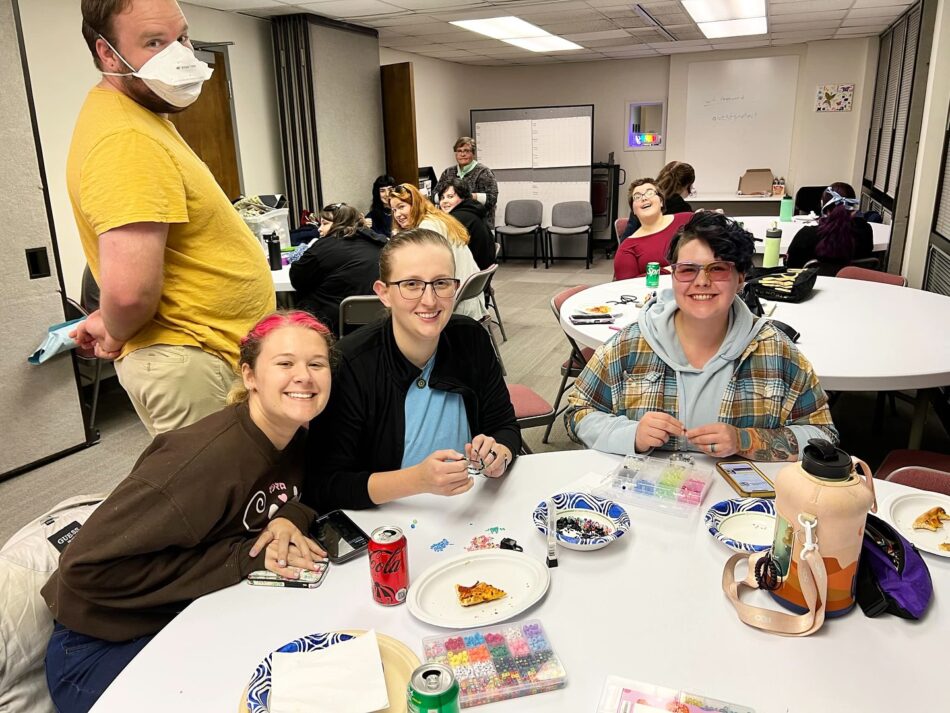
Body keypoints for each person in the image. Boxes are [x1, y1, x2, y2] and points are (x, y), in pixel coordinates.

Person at [41, 311, 334, 712]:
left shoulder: (294, 433)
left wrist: (290, 516)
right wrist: (240, 558)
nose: (304, 376)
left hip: (184, 615)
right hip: (99, 648)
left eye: (316, 364)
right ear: (249, 376)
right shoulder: (201, 463)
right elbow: (83, 569)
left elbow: (308, 490)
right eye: (284, 363)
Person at [69, 0, 275, 437]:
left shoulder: (140, 119)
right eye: (154, 43)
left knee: (243, 492)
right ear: (108, 53)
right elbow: (128, 295)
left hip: (204, 353)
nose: (179, 55)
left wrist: (108, 321)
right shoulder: (126, 138)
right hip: (191, 362)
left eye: (181, 37)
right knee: (219, 498)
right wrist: (113, 323)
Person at [568, 211, 837, 461]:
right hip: (645, 499)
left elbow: (823, 435)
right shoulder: (631, 345)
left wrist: (747, 440)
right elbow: (577, 413)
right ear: (672, 274)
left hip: (737, 507)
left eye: (718, 268)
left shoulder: (775, 351)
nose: (702, 281)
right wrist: (631, 435)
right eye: (687, 269)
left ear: (741, 277)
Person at [304, 228, 520, 511]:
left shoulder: (471, 340)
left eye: (441, 283)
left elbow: (504, 426)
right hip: (385, 524)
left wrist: (498, 453)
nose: (429, 300)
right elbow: (325, 484)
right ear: (384, 294)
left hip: (466, 510)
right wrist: (416, 480)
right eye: (411, 284)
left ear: (455, 288)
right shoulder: (350, 364)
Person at [389, 183, 486, 320]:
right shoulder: (436, 218)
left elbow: (425, 271)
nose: (397, 214)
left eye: (401, 207)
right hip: (468, 296)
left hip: (456, 305)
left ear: (415, 204)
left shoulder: (428, 227)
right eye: (393, 210)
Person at [290, 203, 388, 334]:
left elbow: (297, 279)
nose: (319, 229)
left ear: (339, 223)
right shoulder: (380, 243)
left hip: (331, 323)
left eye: (324, 224)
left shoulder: (323, 247)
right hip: (380, 321)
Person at [614, 178, 692, 280]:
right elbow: (627, 287)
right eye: (637, 197)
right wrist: (668, 270)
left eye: (650, 193)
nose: (644, 198)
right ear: (633, 210)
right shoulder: (627, 248)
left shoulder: (688, 219)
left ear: (661, 201)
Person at [785, 183, 873, 270]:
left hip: (812, 283)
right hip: (851, 283)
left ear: (823, 205)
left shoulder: (806, 235)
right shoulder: (865, 231)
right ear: (853, 206)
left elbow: (790, 267)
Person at [620, 161, 695, 240]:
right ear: (686, 185)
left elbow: (628, 234)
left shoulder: (641, 198)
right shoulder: (682, 208)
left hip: (631, 247)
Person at [434, 137, 498, 229]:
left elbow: (492, 198)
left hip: (479, 224)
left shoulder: (484, 172)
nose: (462, 154)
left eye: (466, 151)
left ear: (473, 153)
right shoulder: (447, 172)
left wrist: (467, 196)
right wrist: (446, 197)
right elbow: (434, 195)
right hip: (452, 224)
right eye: (459, 151)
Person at [439, 178, 496, 270]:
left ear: (463, 197)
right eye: (442, 197)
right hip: (482, 273)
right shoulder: (473, 210)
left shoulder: (457, 219)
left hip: (471, 272)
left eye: (450, 197)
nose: (444, 201)